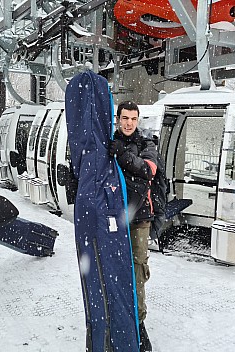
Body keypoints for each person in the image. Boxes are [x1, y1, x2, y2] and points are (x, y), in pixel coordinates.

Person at [109, 101, 157, 352]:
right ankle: (116, 317)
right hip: (113, 219)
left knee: (137, 271)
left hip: (139, 220)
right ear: (118, 118)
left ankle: (139, 324)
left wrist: (123, 155)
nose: (129, 123)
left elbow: (148, 170)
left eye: (133, 119)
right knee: (115, 268)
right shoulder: (109, 142)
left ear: (138, 120)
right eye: (125, 118)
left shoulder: (147, 144)